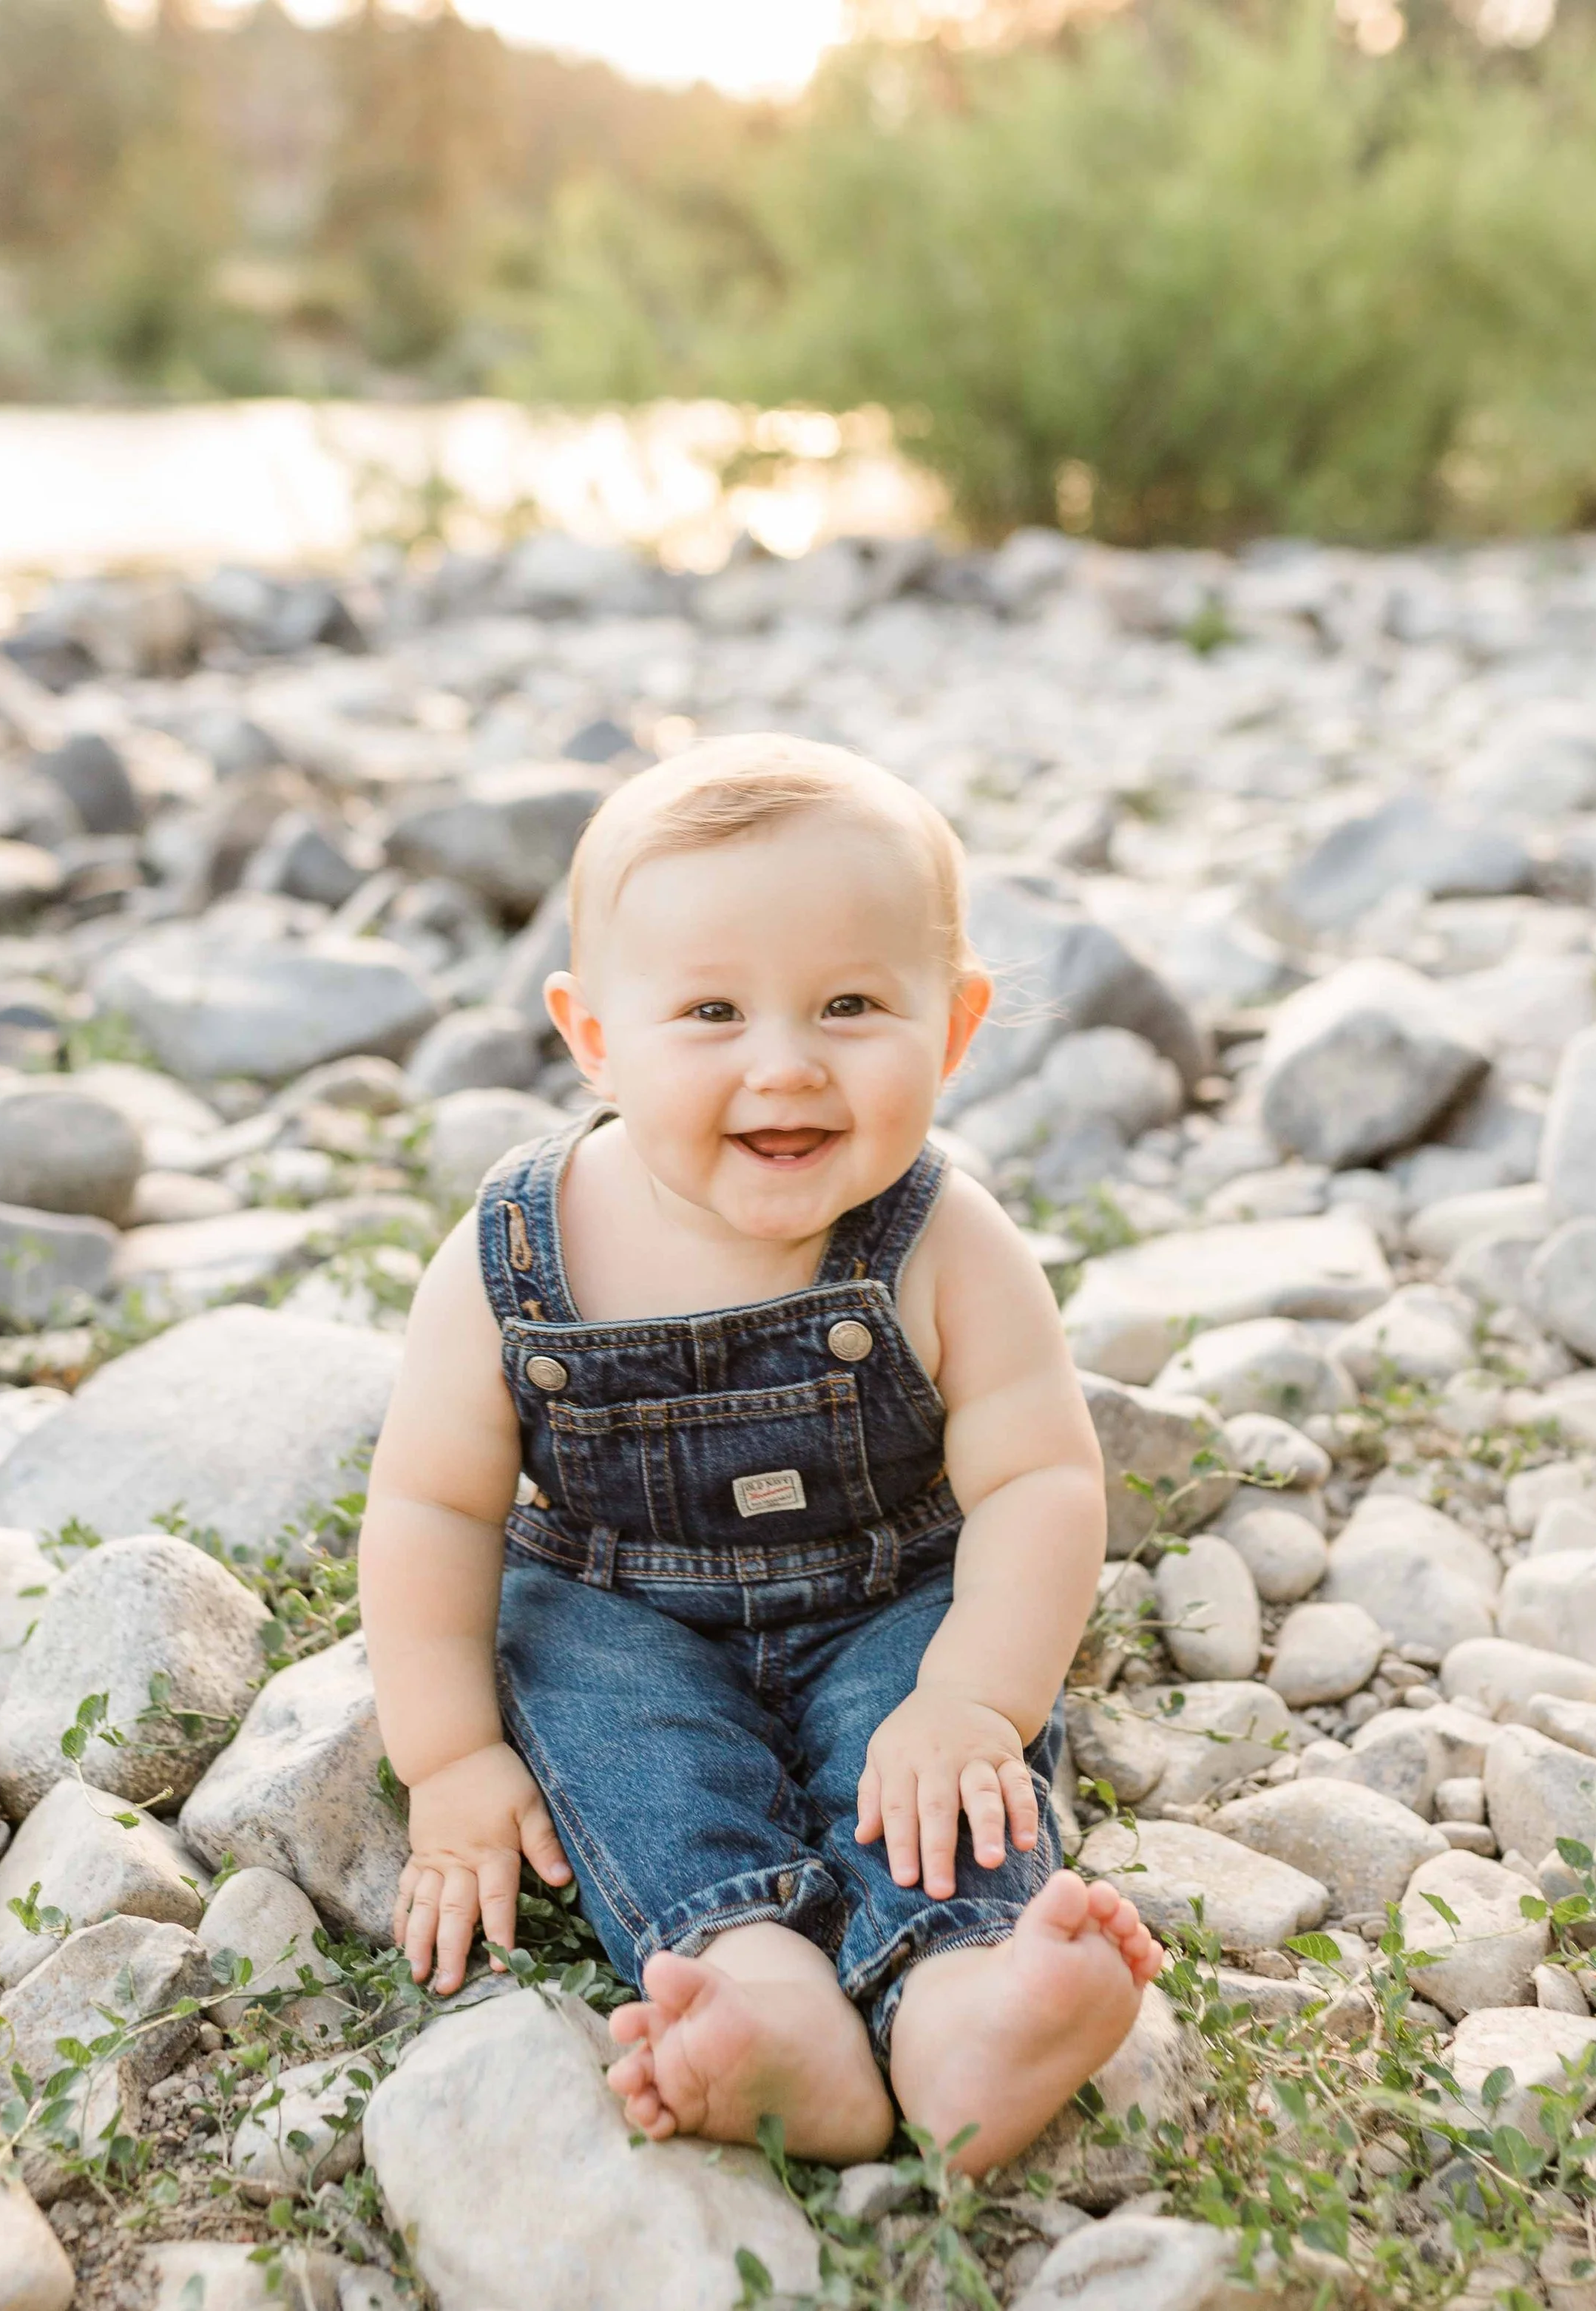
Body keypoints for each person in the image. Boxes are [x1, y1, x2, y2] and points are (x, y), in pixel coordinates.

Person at [358, 733, 1162, 2173]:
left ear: (954, 1025)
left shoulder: (944, 1238)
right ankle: (759, 1995)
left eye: (851, 1004)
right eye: (711, 1009)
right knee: (630, 1754)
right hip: (624, 1603)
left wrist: (975, 1696)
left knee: (927, 1785)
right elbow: (432, 1503)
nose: (783, 1064)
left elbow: (1038, 1478)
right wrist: (451, 1752)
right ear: (593, 1033)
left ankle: (968, 2003)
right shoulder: (516, 1246)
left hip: (888, 1587)